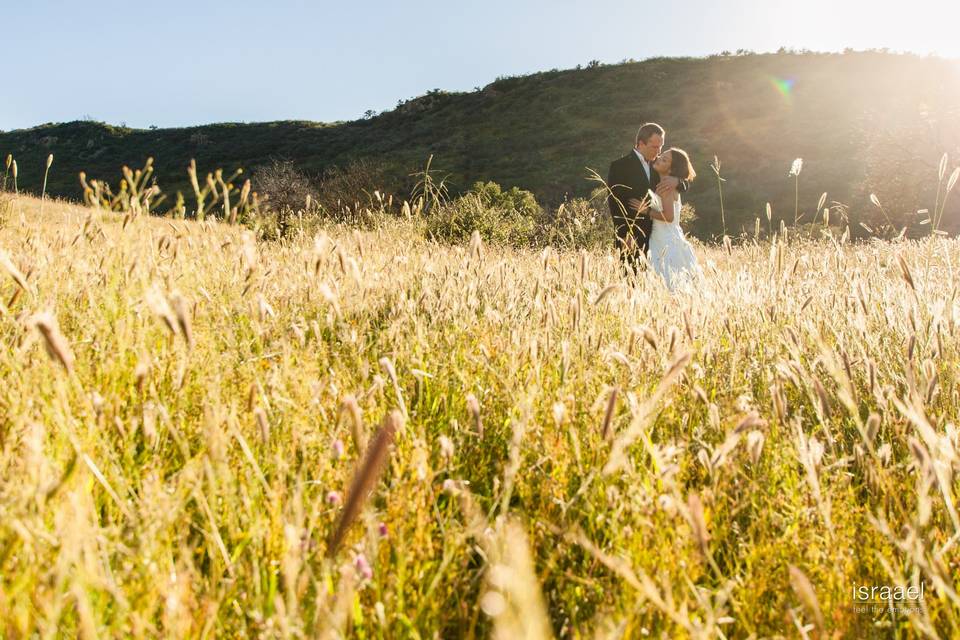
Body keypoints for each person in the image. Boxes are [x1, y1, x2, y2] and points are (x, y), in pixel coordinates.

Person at [606, 123, 682, 276]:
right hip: (632, 236)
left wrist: (678, 182)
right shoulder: (619, 166)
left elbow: (683, 173)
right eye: (655, 147)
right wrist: (624, 234)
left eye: (661, 147)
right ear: (641, 143)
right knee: (632, 281)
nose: (659, 152)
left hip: (657, 236)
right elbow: (615, 203)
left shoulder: (659, 164)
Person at [647, 148, 702, 291]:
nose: (659, 158)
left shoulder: (666, 185)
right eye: (661, 156)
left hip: (663, 239)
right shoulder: (667, 181)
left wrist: (645, 211)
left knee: (669, 280)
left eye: (664, 160)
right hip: (670, 236)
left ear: (672, 169)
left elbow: (669, 217)